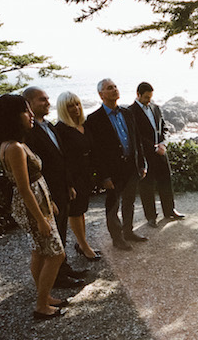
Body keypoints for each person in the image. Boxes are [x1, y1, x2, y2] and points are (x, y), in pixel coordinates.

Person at [0, 94, 69, 319]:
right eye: (26, 111)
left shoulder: (13, 144)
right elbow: (24, 188)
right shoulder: (14, 147)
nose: (31, 115)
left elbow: (32, 181)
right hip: (32, 204)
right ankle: (41, 305)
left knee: (40, 251)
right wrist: (41, 219)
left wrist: (49, 201)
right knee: (56, 254)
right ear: (13, 117)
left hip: (38, 201)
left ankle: (45, 296)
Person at [23, 87, 86, 289]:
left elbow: (62, 158)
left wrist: (69, 185)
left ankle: (64, 268)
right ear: (29, 104)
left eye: (48, 99)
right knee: (53, 237)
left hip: (62, 189)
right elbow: (33, 170)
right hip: (46, 192)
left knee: (61, 232)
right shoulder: (29, 133)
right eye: (42, 100)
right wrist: (47, 198)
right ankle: (56, 278)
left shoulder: (49, 126)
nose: (48, 103)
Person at [85, 78, 147, 251]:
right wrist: (103, 176)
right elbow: (95, 152)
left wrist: (141, 164)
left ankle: (128, 232)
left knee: (130, 202)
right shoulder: (94, 119)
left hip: (131, 167)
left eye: (115, 87)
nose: (114, 90)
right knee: (112, 206)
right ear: (101, 94)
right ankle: (117, 238)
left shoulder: (128, 113)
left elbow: (137, 140)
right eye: (109, 88)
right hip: (112, 172)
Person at [128, 82, 185, 227]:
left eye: (151, 97)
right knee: (147, 185)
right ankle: (151, 217)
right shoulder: (131, 112)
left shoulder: (155, 108)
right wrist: (153, 148)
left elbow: (164, 128)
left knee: (166, 180)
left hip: (161, 151)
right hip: (145, 154)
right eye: (146, 97)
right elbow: (136, 136)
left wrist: (163, 143)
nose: (149, 100)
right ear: (138, 94)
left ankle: (170, 210)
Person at [54, 91, 102, 261]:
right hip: (73, 176)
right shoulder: (60, 129)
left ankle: (81, 242)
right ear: (63, 108)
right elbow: (62, 158)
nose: (75, 108)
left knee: (81, 211)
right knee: (75, 212)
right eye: (70, 106)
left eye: (77, 104)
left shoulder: (84, 125)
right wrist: (69, 183)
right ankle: (83, 245)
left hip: (86, 174)